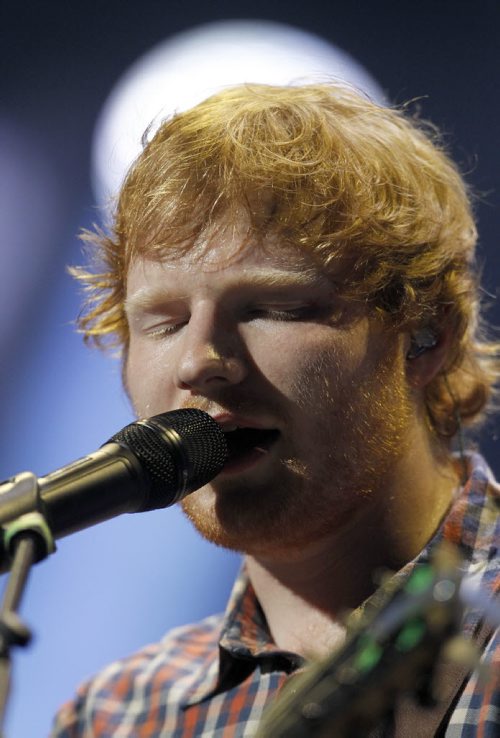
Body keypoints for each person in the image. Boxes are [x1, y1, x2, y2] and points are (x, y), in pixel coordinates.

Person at [50, 82, 500, 737]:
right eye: (164, 320)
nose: (198, 360)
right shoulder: (118, 714)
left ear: (426, 334)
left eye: (272, 308)